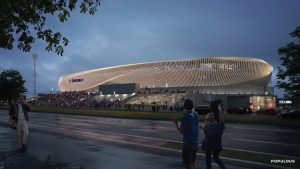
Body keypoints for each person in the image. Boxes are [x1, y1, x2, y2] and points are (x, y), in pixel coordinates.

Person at [174, 99, 200, 169]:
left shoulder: (185, 118)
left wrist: (176, 125)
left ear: (185, 107)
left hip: (188, 143)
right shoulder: (196, 114)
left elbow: (181, 131)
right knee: (193, 162)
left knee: (188, 164)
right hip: (195, 141)